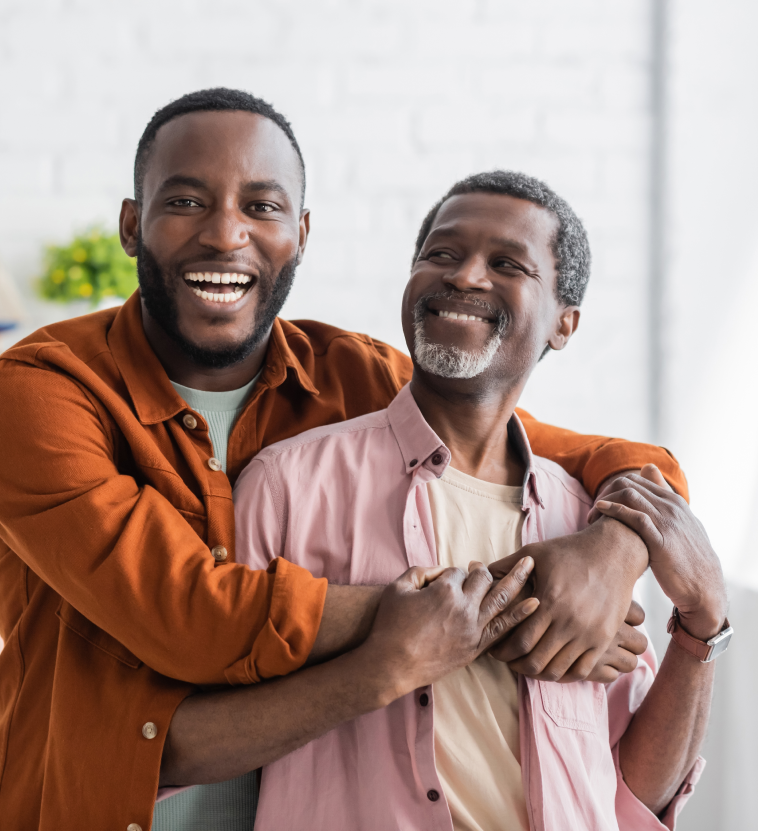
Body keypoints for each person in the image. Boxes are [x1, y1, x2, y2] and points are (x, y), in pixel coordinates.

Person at [0, 89, 689, 830]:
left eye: (262, 207)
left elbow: (606, 457)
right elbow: (189, 617)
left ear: (301, 234)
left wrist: (609, 552)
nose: (225, 234)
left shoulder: (354, 377)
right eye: (185, 202)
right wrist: (512, 605)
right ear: (131, 226)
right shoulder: (37, 394)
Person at [169, 171, 726, 828]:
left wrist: (703, 624)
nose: (463, 275)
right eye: (441, 253)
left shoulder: (586, 521)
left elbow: (632, 789)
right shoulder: (286, 485)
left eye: (507, 263)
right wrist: (381, 663)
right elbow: (189, 740)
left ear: (564, 323)